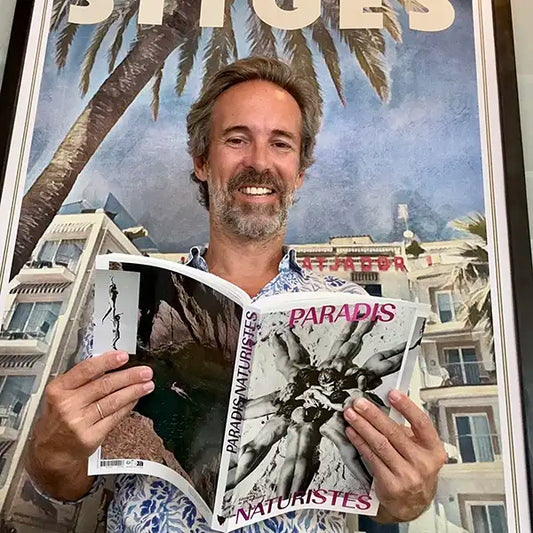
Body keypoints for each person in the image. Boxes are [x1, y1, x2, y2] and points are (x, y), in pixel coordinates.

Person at [26, 57, 447, 532]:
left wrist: (409, 498)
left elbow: (382, 500)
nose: (260, 162)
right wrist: (53, 451)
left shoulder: (360, 316)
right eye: (237, 139)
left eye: (280, 144)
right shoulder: (127, 299)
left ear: (299, 171)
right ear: (203, 161)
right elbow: (65, 482)